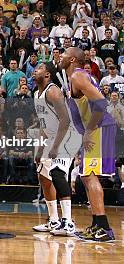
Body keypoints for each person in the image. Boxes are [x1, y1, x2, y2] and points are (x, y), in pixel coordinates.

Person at [59, 47, 118, 242]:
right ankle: (96, 224)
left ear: (73, 59)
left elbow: (101, 103)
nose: (61, 56)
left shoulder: (77, 76)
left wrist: (90, 131)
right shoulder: (74, 78)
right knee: (85, 177)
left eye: (64, 54)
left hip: (99, 128)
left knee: (90, 176)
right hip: (95, 129)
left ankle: (104, 228)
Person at [32, 62, 81, 236]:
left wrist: (55, 147)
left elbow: (65, 120)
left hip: (67, 135)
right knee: (43, 176)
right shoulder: (36, 93)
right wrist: (40, 149)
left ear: (47, 75)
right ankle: (54, 220)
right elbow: (44, 123)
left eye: (40, 68)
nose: (35, 70)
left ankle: (67, 222)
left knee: (58, 173)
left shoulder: (53, 91)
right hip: (52, 137)